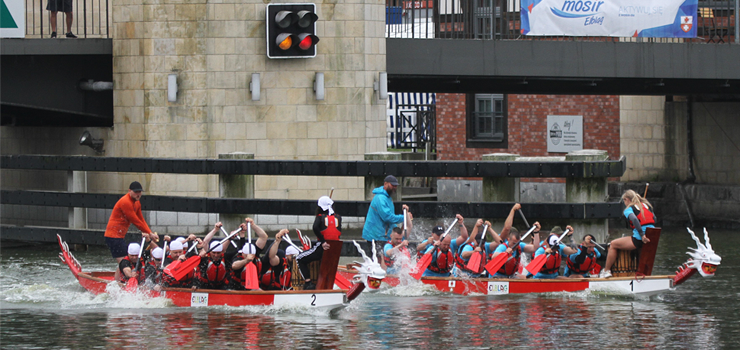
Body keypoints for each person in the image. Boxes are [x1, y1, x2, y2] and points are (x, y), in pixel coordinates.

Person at [105, 181, 157, 282]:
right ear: (129, 191)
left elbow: (141, 218)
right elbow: (135, 221)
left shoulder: (137, 202)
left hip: (119, 236)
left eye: (140, 192)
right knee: (125, 262)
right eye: (136, 192)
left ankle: (117, 282)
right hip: (113, 236)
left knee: (123, 261)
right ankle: (120, 284)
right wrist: (150, 234)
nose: (138, 194)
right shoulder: (126, 202)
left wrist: (149, 232)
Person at [601, 189, 656, 278]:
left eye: (624, 201)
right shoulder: (646, 206)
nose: (624, 203)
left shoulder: (629, 209)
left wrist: (642, 235)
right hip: (652, 237)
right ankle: (641, 272)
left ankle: (606, 271)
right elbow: (654, 219)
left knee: (613, 244)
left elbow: (634, 219)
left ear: (627, 199)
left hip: (640, 238)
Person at [296, 196, 342, 290]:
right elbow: (337, 232)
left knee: (299, 258)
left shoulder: (320, 217)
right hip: (335, 249)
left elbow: (315, 228)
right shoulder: (338, 217)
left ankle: (308, 283)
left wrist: (323, 241)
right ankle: (326, 284)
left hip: (322, 248)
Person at [362, 175, 411, 262]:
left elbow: (390, 220)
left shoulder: (387, 198)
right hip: (376, 236)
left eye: (396, 186)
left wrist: (397, 229)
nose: (394, 188)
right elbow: (387, 217)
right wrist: (404, 217)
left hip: (382, 235)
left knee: (384, 259)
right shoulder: (381, 198)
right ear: (385, 184)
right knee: (378, 261)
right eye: (393, 185)